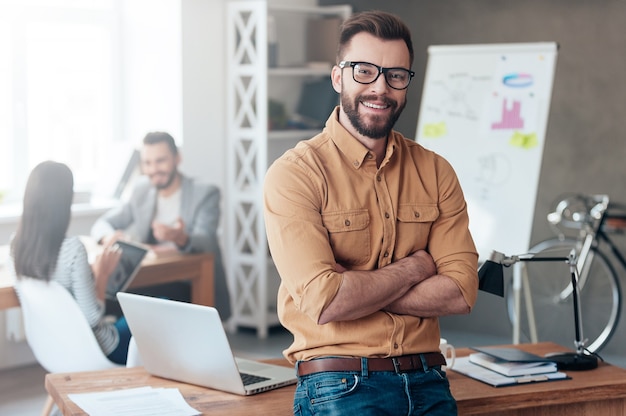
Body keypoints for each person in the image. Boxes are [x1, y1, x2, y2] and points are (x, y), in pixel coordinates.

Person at [263, 11, 478, 415]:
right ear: (338, 77)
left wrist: (357, 290)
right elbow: (325, 302)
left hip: (429, 377)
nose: (380, 88)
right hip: (340, 383)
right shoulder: (295, 174)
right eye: (364, 71)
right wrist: (416, 268)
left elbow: (461, 291)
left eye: (396, 75)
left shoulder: (436, 171)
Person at [90, 131, 231, 320]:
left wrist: (179, 237)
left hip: (189, 283)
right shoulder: (142, 189)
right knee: (107, 301)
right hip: (151, 281)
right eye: (147, 163)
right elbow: (102, 223)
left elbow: (207, 241)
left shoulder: (204, 193)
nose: (153, 169)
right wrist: (109, 237)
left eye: (160, 161)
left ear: (177, 158)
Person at [10, 161, 131, 364]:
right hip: (99, 350)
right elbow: (93, 318)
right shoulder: (72, 249)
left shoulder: (16, 246)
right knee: (161, 310)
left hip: (53, 351)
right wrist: (102, 275)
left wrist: (89, 272)